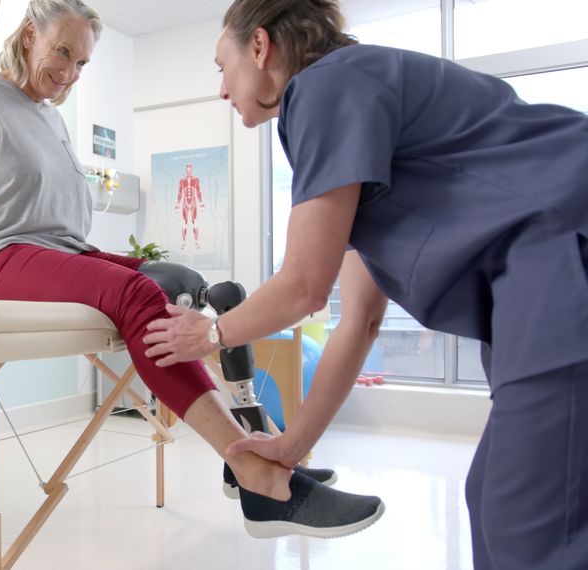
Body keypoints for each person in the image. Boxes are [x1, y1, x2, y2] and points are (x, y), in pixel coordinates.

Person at [0, 0, 383, 540]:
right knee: (137, 293)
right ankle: (257, 474)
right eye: (63, 53)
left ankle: (250, 446)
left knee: (191, 284)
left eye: (82, 62)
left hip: (60, 252)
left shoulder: (51, 120)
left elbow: (62, 228)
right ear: (31, 33)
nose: (71, 72)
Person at [143, 0, 588, 567]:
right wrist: (290, 446)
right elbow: (360, 319)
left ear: (259, 47)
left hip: (563, 257)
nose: (223, 90)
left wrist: (210, 333)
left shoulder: (327, 88)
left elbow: (303, 286)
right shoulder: (359, 109)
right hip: (544, 278)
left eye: (220, 67)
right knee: (497, 501)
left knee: (528, 525)